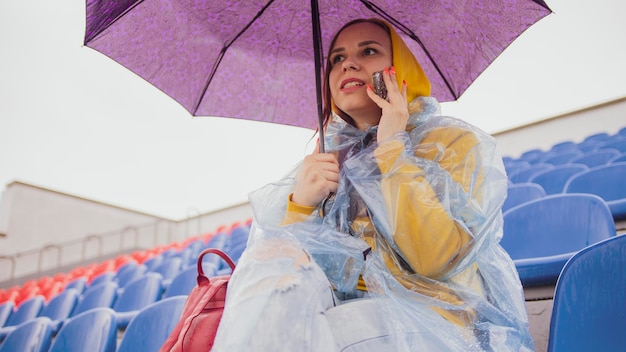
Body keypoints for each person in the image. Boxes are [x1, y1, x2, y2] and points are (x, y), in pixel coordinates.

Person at [212, 18, 533, 351]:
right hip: (345, 313)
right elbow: (287, 273)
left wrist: (393, 149)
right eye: (336, 58)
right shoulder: (326, 160)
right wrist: (300, 206)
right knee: (269, 263)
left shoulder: (451, 142)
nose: (347, 63)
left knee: (326, 333)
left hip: (439, 323)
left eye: (368, 51)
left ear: (400, 68)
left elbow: (436, 260)